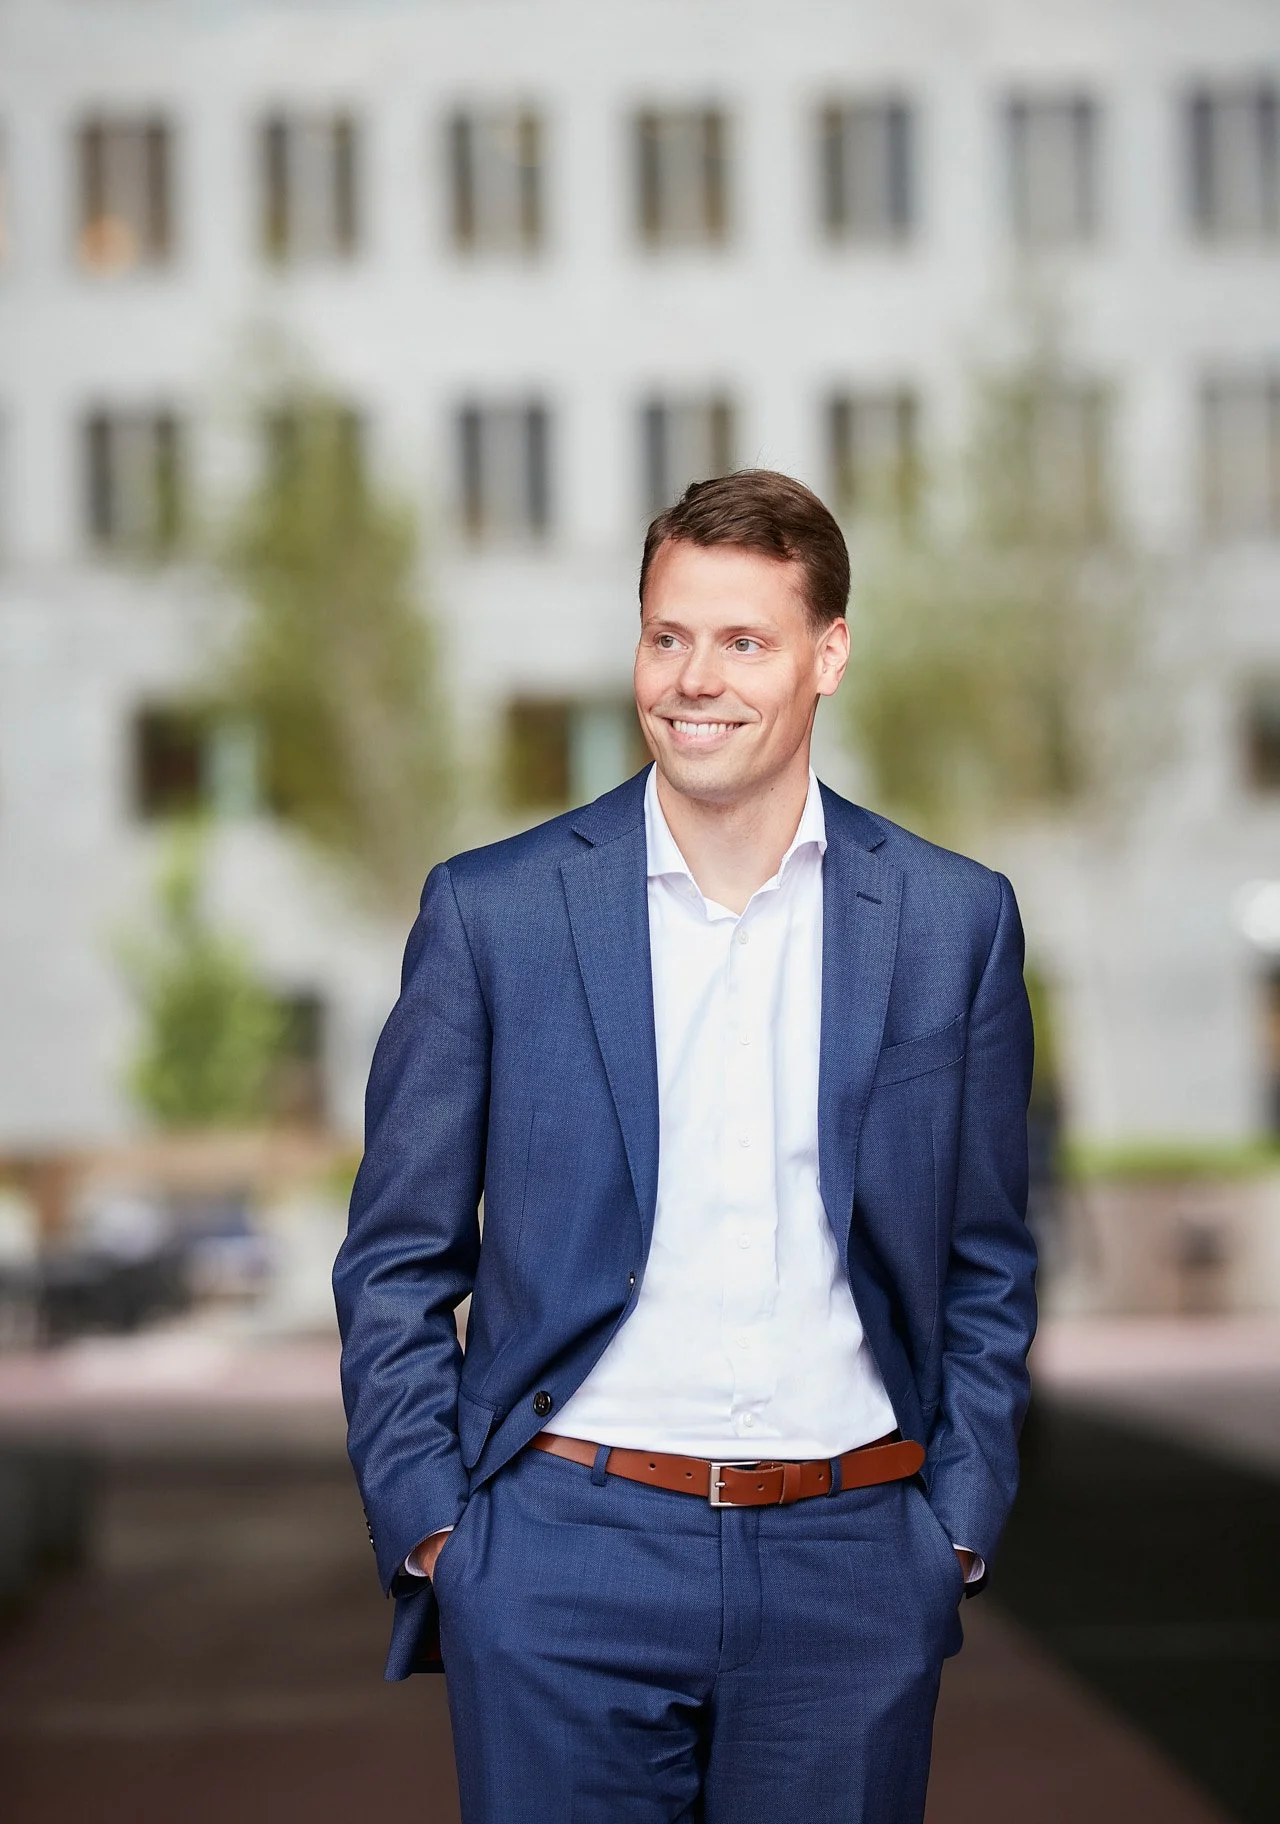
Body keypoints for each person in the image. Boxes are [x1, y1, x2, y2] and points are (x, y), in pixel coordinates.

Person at [334, 469, 1037, 1823]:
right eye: (668, 636)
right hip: (560, 1558)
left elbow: (988, 1259)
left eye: (742, 641)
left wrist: (949, 1526)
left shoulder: (955, 923)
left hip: (853, 1561)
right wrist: (442, 1531)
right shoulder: (494, 916)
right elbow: (397, 1260)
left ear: (829, 653)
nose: (693, 678)